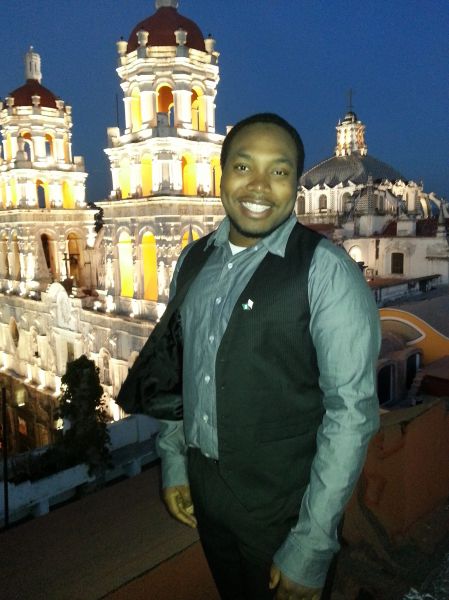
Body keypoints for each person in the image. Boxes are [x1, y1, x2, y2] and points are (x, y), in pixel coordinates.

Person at [118, 113, 381, 600]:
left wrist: (312, 544)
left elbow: (352, 416)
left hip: (284, 509)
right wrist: (175, 463)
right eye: (243, 166)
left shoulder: (326, 271)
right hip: (206, 496)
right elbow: (178, 370)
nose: (258, 186)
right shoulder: (193, 260)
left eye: (278, 171)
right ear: (222, 174)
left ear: (296, 185)